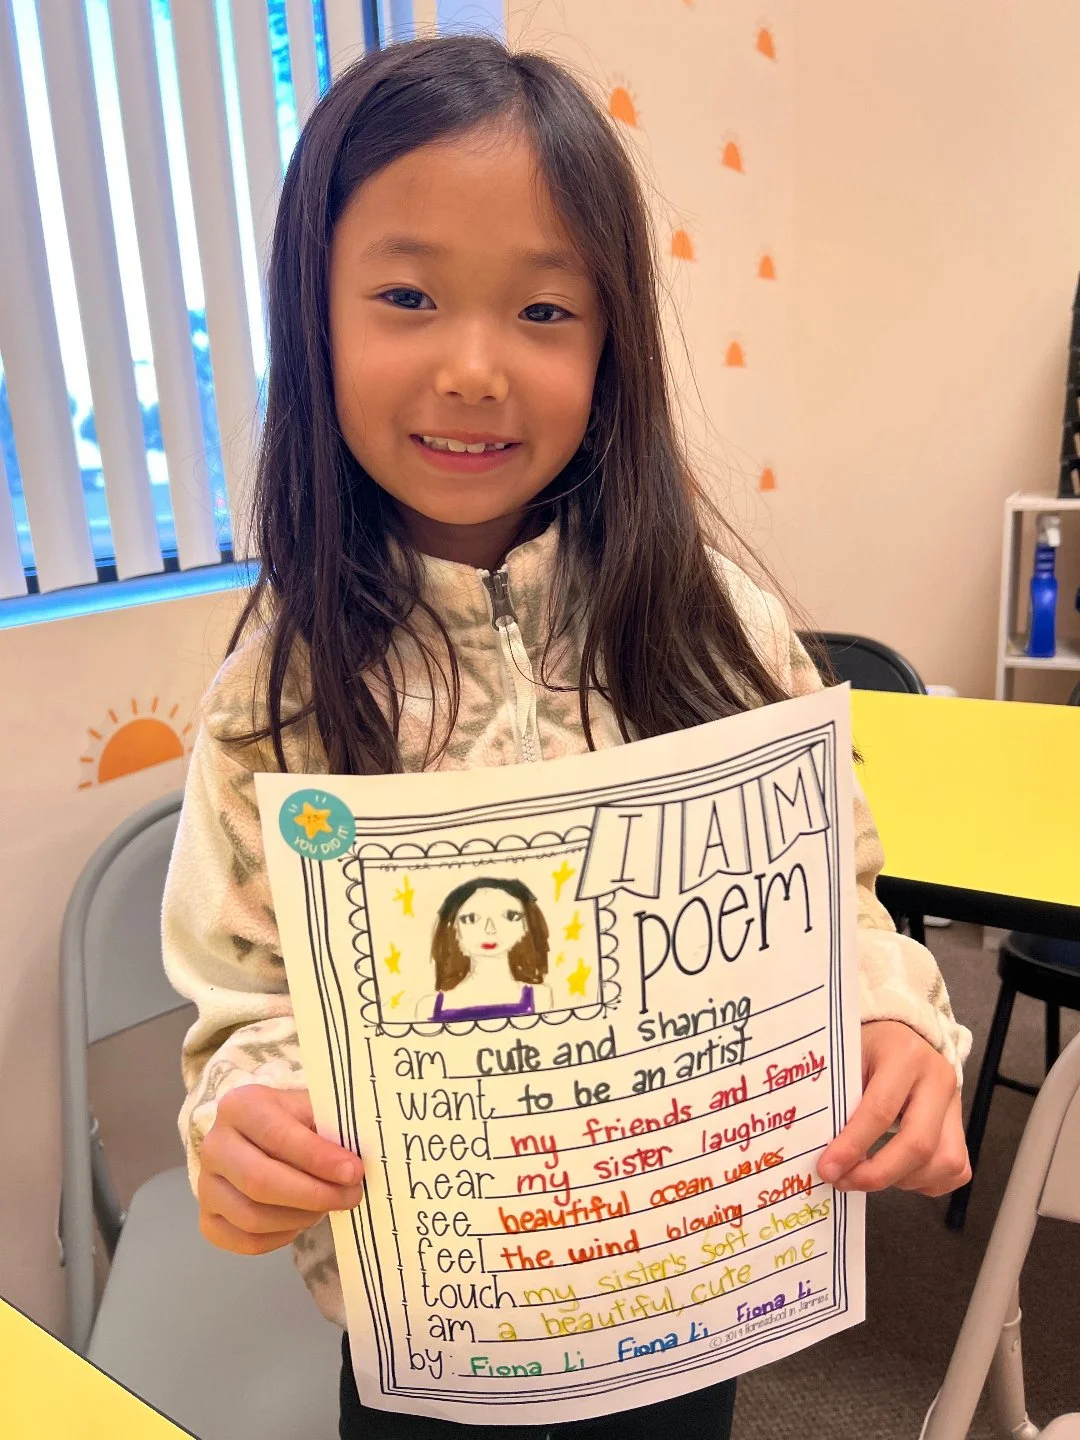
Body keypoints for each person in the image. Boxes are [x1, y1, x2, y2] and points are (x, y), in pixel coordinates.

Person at [162, 33, 972, 1440]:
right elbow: (245, 1005)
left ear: (612, 342)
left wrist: (896, 1015)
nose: (474, 369)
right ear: (315, 316)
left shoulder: (718, 624)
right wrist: (244, 1122)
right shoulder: (277, 694)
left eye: (545, 312)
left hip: (685, 1291)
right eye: (406, 296)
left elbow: (830, 901)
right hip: (434, 1333)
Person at [416, 876, 553, 1021]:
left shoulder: (540, 997)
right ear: (452, 928)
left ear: (527, 925)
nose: (490, 929)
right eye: (471, 919)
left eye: (510, 916)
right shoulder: (429, 1006)